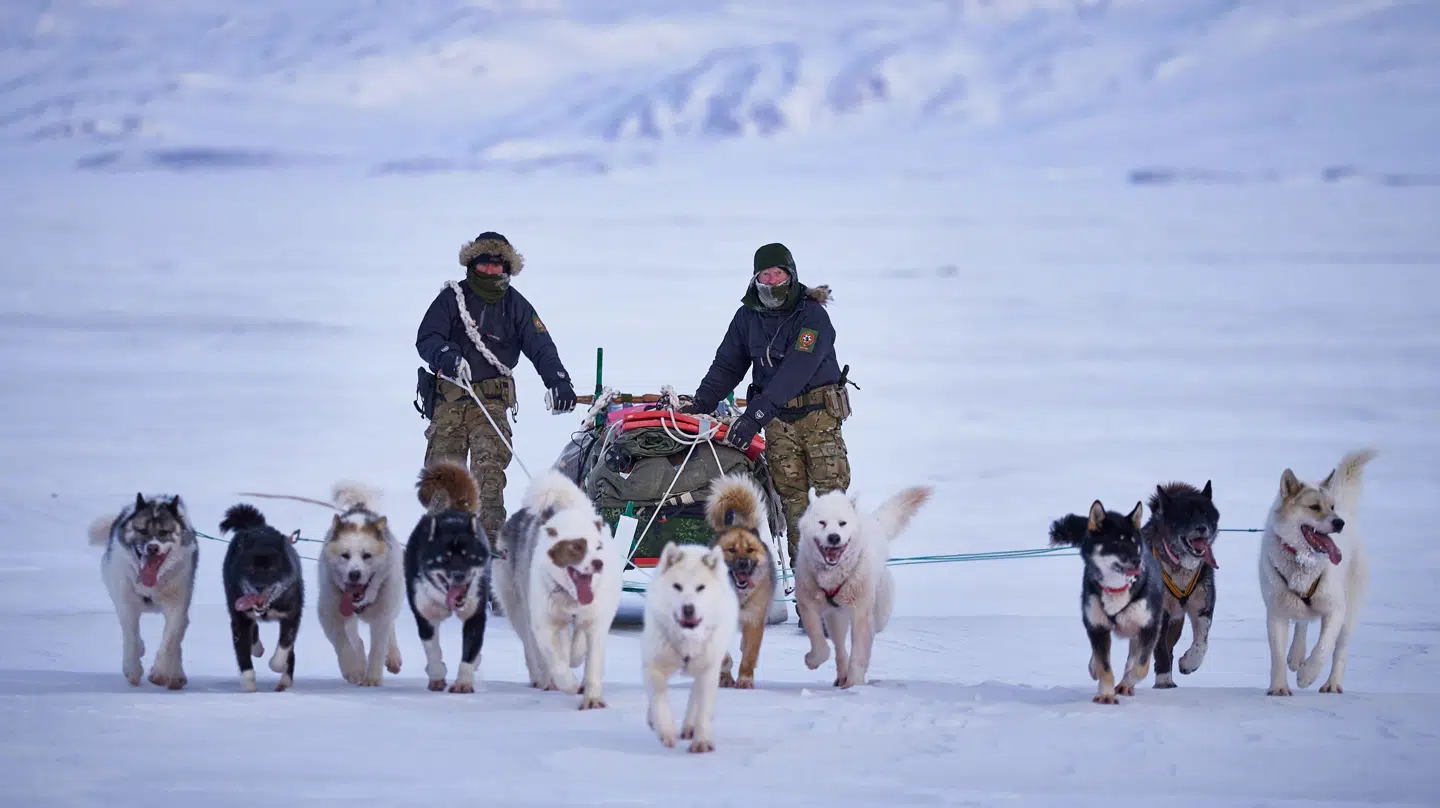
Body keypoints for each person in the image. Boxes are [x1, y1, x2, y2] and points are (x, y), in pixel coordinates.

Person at [680, 241, 853, 574]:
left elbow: (796, 371)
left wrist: (753, 417)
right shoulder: (748, 317)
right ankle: (808, 588)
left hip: (818, 420)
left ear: (791, 274)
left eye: (778, 275)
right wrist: (699, 404)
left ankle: (839, 584)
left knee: (832, 506)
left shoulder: (813, 316)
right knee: (794, 506)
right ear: (756, 278)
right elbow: (727, 366)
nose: (772, 282)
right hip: (779, 426)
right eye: (765, 276)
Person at [415, 231, 578, 568]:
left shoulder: (516, 306)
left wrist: (558, 381)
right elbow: (426, 337)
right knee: (444, 480)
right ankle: (438, 555)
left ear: (507, 269)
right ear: (471, 265)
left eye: (496, 267)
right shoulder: (451, 299)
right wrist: (446, 354)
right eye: (483, 266)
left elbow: (541, 346)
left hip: (491, 403)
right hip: (449, 401)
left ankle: (488, 559)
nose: (490, 273)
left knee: (488, 480)